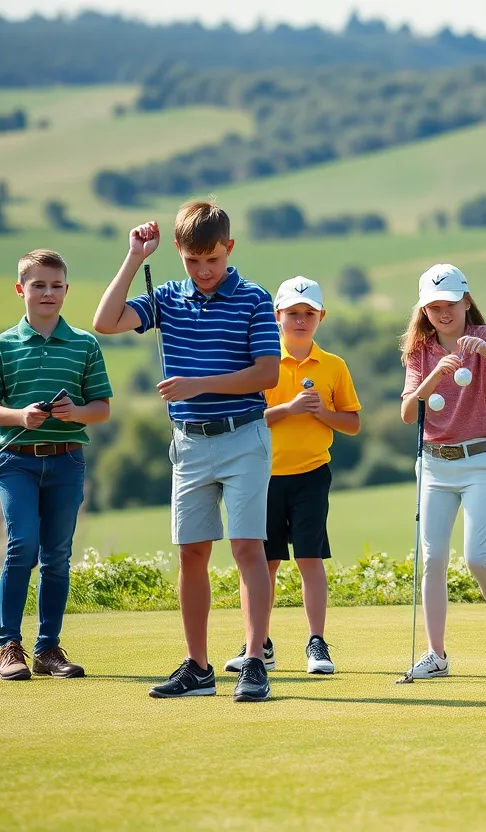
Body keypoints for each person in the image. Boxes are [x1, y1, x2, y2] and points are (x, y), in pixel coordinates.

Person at [93, 200, 281, 702]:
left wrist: (199, 385)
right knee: (192, 553)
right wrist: (135, 256)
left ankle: (255, 662)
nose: (203, 272)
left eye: (213, 261)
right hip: (189, 444)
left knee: (247, 549)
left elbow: (269, 374)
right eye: (193, 261)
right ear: (177, 251)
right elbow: (105, 321)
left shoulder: (256, 299)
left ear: (230, 249)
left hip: (244, 436)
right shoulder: (167, 296)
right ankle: (197, 668)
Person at [0, 249, 113, 681]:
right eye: (38, 285)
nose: (48, 293)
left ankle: (47, 650)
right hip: (16, 463)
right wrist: (20, 417)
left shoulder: (85, 344)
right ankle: (9, 646)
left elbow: (102, 408)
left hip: (67, 460)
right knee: (23, 547)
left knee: (57, 556)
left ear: (66, 290)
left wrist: (76, 413)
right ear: (21, 289)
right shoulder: (2, 345)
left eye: (56, 285)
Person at [222, 276, 362, 675]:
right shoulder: (262, 363)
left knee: (309, 558)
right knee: (263, 563)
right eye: (292, 314)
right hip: (260, 475)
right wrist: (291, 409)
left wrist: (321, 413)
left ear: (320, 317)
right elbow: (249, 419)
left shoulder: (333, 365)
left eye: (309, 313)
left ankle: (317, 644)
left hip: (312, 474)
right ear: (277, 316)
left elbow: (352, 423)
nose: (301, 320)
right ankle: (259, 644)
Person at [398, 263, 486, 679]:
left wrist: (485, 352)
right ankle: (436, 654)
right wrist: (431, 380)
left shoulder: (485, 336)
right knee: (433, 558)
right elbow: (407, 413)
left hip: (480, 462)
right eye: (433, 306)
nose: (443, 313)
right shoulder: (420, 351)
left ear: (466, 301)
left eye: (450, 304)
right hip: (435, 465)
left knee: (476, 557)